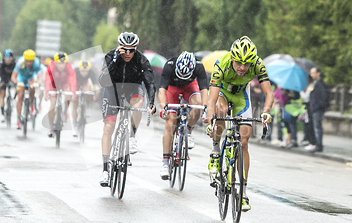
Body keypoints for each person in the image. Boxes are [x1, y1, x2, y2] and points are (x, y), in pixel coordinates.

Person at [206, 36, 273, 212]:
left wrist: (266, 112)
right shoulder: (221, 65)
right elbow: (211, 100)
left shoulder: (258, 64)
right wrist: (211, 121)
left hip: (242, 97)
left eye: (247, 64)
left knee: (244, 142)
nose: (242, 68)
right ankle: (215, 151)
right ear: (233, 59)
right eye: (239, 63)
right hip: (222, 93)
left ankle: (242, 193)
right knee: (221, 111)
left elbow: (269, 94)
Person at [98, 32, 156, 187]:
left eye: (132, 50)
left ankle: (131, 136)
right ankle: (105, 169)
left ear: (136, 48)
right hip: (113, 90)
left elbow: (150, 83)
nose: (128, 53)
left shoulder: (141, 59)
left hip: (133, 89)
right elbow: (103, 80)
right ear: (119, 47)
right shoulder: (111, 56)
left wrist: (151, 103)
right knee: (108, 128)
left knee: (138, 105)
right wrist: (116, 59)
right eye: (125, 49)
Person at [158, 51, 208, 180]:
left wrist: (206, 110)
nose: (182, 77)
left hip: (189, 87)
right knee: (170, 123)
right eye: (180, 75)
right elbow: (162, 90)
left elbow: (204, 91)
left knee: (197, 106)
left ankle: (188, 131)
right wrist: (163, 107)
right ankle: (165, 162)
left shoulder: (199, 66)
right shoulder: (169, 65)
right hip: (172, 89)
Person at [44, 52, 77, 137]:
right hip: (53, 84)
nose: (61, 66)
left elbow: (72, 79)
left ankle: (65, 111)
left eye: (63, 63)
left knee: (68, 94)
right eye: (59, 63)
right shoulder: (51, 66)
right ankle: (51, 127)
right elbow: (47, 80)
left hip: (64, 83)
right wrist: (46, 92)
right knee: (53, 104)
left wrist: (73, 92)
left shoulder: (69, 67)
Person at [11, 49, 41, 129]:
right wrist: (17, 83)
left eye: (30, 61)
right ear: (24, 59)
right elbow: (13, 76)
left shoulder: (37, 63)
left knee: (32, 85)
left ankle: (31, 104)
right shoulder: (20, 62)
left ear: (33, 60)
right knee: (20, 95)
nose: (28, 63)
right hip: (21, 77)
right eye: (27, 61)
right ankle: (18, 119)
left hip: (31, 77)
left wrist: (38, 83)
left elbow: (40, 77)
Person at [72, 60, 99, 136]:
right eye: (82, 71)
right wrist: (74, 94)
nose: (84, 73)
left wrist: (95, 90)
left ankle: (86, 105)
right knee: (75, 104)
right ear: (79, 69)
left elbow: (95, 82)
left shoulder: (91, 71)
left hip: (85, 83)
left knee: (89, 90)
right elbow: (71, 83)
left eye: (86, 71)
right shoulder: (75, 71)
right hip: (76, 84)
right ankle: (74, 125)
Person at [309, 66, 329, 152]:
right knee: (315, 127)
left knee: (317, 127)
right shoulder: (315, 83)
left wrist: (318, 106)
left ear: (318, 73)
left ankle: (319, 145)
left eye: (313, 73)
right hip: (314, 108)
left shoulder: (320, 84)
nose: (312, 75)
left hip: (318, 109)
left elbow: (323, 97)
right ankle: (317, 143)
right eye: (311, 73)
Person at [0, 49, 16, 122]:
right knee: (2, 94)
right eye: (6, 59)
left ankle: (13, 99)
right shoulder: (1, 64)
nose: (8, 61)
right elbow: (0, 74)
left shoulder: (14, 64)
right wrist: (1, 81)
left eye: (9, 59)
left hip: (12, 79)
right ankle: (2, 112)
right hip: (4, 79)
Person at [300, 76, 316, 148]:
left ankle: (312, 141)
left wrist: (302, 92)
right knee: (306, 123)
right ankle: (306, 138)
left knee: (310, 124)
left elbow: (306, 96)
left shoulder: (311, 86)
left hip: (310, 106)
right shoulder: (305, 87)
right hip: (305, 107)